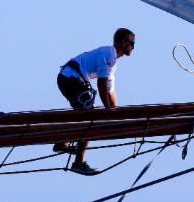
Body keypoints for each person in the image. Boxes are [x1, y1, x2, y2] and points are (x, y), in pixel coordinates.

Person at [54, 28, 136, 175]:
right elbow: (101, 85)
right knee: (91, 120)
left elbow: (110, 90)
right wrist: (108, 111)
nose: (133, 47)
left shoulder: (112, 62)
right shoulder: (109, 54)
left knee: (85, 118)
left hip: (69, 78)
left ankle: (62, 142)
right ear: (123, 42)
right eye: (132, 43)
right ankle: (78, 163)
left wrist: (115, 113)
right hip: (71, 79)